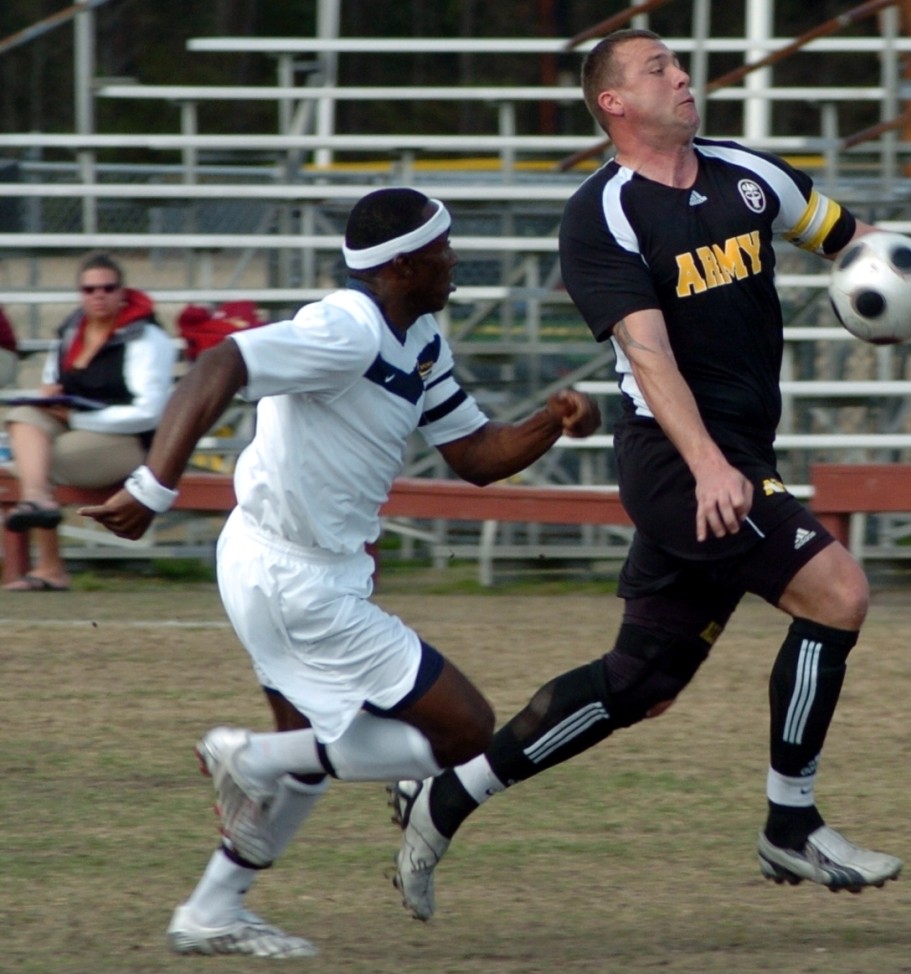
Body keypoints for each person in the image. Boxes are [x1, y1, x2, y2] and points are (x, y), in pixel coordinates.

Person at [386, 27, 911, 922]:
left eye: (678, 61)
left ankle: (447, 798)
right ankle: (790, 823)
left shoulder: (749, 176)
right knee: (837, 592)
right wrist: (711, 466)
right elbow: (649, 350)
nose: (681, 75)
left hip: (738, 459)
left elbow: (877, 249)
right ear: (614, 104)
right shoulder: (604, 213)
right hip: (680, 464)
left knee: (641, 683)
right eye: (658, 68)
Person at [80, 187, 600, 959]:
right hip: (294, 579)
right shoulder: (346, 327)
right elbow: (221, 361)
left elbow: (477, 457)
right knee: (464, 731)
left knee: (311, 760)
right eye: (443, 251)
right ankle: (244, 755)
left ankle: (211, 910)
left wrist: (551, 425)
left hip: (292, 570)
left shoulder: (418, 337)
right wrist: (154, 486)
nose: (455, 262)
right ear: (399, 267)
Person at [2, 253, 174, 592]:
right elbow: (54, 380)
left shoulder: (146, 338)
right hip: (76, 427)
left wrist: (78, 416)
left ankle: (50, 564)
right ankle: (39, 501)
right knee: (22, 417)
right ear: (80, 293)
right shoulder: (71, 330)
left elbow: (148, 413)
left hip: (130, 441)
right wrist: (50, 395)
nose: (99, 295)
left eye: (108, 288)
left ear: (122, 292)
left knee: (38, 459)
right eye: (90, 288)